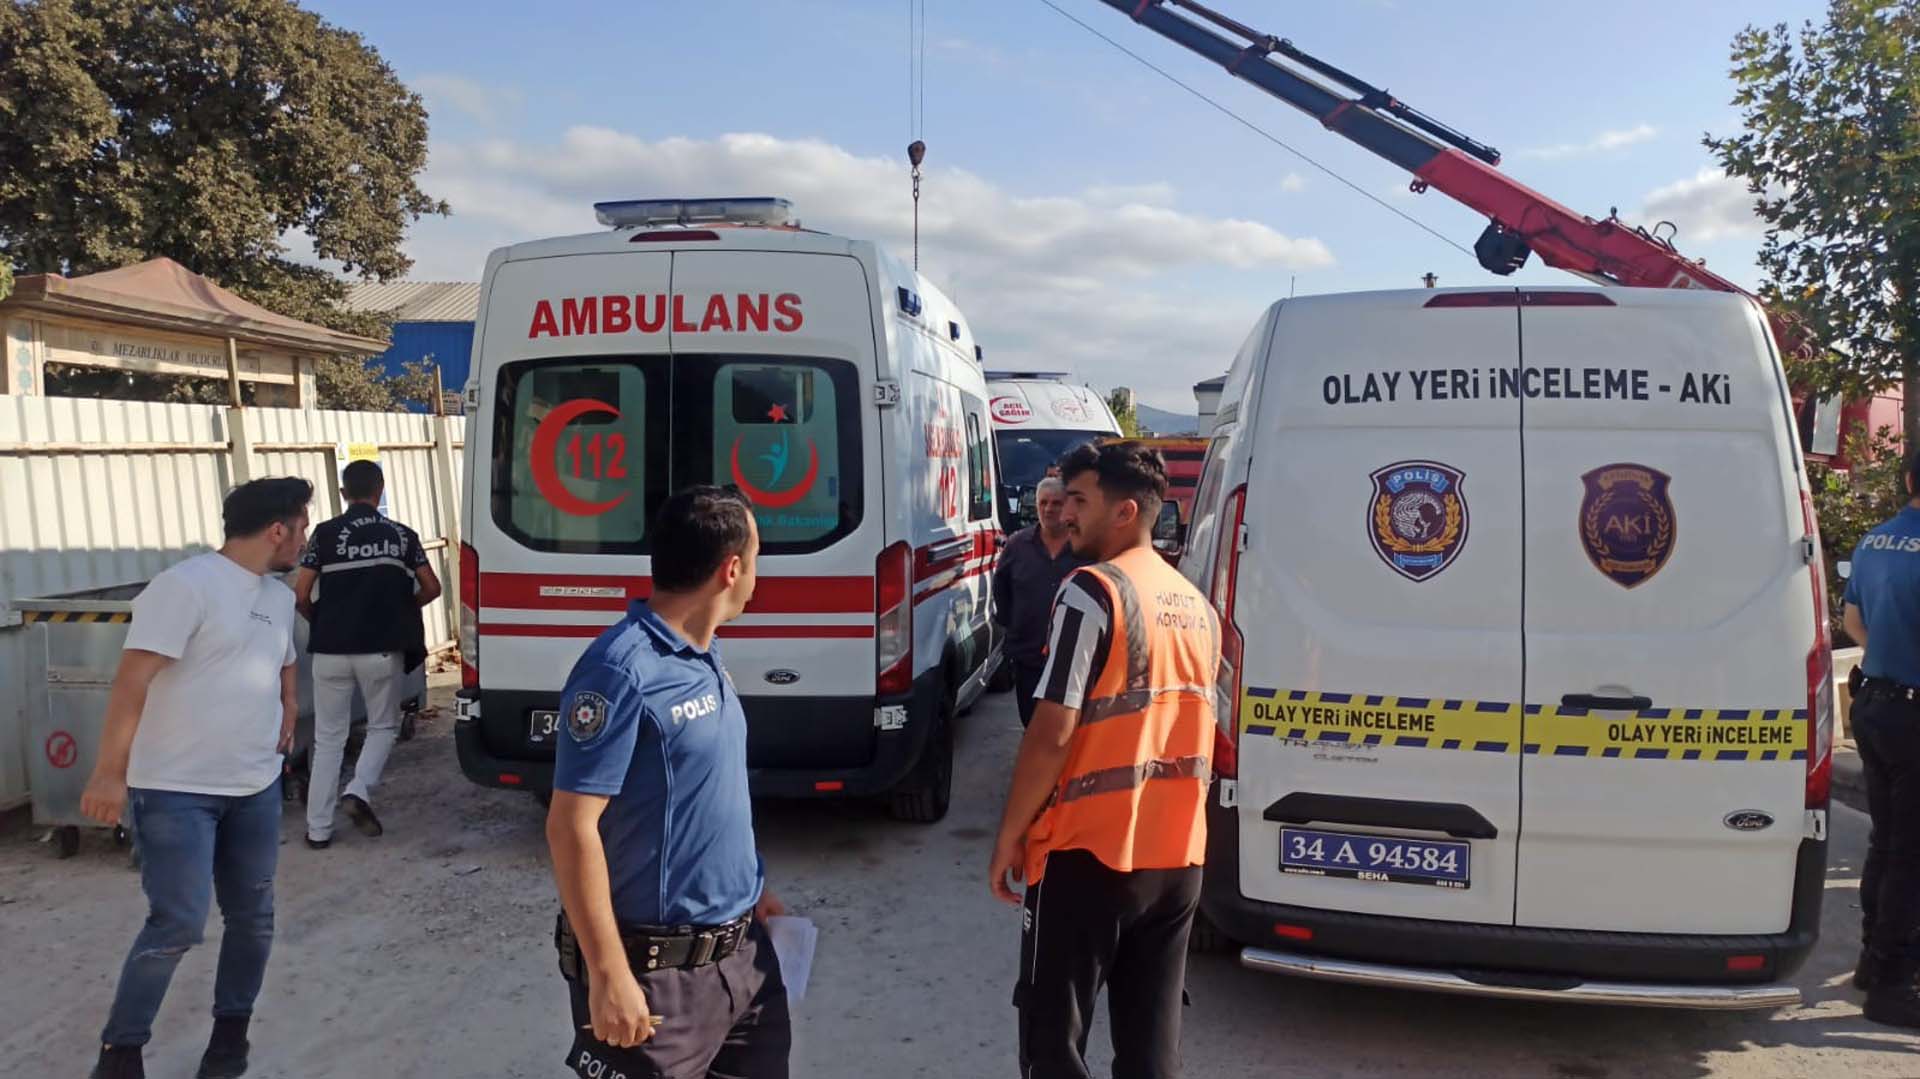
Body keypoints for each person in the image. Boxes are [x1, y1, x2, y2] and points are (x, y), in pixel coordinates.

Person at [988, 442, 1221, 1079]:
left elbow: (1050, 731)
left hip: (1088, 853)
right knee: (1152, 1049)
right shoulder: (1196, 606)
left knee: (1052, 1041)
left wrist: (1010, 835)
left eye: (1080, 502)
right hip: (1177, 858)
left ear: (1123, 512)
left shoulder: (1092, 592)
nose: (1065, 514)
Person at [546, 485, 792, 1079]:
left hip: (745, 964)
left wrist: (751, 885)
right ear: (731, 569)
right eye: (756, 559)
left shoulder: (702, 654)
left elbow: (709, 790)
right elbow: (570, 826)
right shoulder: (619, 671)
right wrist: (608, 975)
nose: (758, 574)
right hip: (656, 986)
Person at [80, 477, 314, 1079]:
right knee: (177, 921)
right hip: (175, 791)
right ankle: (121, 1051)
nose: (306, 539)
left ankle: (228, 1041)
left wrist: (288, 704)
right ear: (277, 530)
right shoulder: (183, 588)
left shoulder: (278, 596)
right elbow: (132, 679)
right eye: (304, 526)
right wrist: (110, 775)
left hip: (255, 787)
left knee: (253, 919)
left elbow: (282, 656)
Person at [293, 460, 440, 848]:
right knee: (382, 726)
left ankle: (318, 829)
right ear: (381, 490)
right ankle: (358, 790)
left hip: (329, 650)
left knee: (328, 739)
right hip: (380, 650)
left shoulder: (324, 535)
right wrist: (404, 608)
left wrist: (322, 621)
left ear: (344, 493)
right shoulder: (402, 536)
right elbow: (432, 587)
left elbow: (301, 594)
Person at [1842, 449, 1920, 1030]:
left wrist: (1886, 655)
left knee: (1888, 841)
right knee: (1912, 856)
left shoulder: (1875, 540)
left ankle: (1872, 959)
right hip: (1914, 714)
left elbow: (1852, 620)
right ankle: (1894, 984)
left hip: (1874, 705)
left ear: (1909, 479)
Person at [993, 477, 1091, 726]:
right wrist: (1011, 624)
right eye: (1043, 503)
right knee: (1032, 724)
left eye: (1056, 503)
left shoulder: (1085, 548)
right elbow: (1001, 589)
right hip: (1029, 656)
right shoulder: (1017, 546)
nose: (1049, 509)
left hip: (1075, 659)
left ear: (1068, 506)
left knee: (1071, 729)